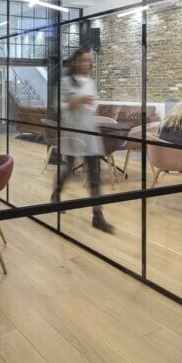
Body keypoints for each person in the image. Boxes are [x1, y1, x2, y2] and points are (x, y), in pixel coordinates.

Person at [51, 47, 114, 233]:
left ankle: (98, 215)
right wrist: (76, 102)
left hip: (89, 133)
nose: (89, 63)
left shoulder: (91, 82)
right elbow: (57, 106)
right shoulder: (64, 82)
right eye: (86, 60)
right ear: (76, 62)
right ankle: (57, 193)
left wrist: (88, 104)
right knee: (69, 168)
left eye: (90, 60)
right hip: (72, 133)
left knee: (95, 175)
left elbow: (92, 106)